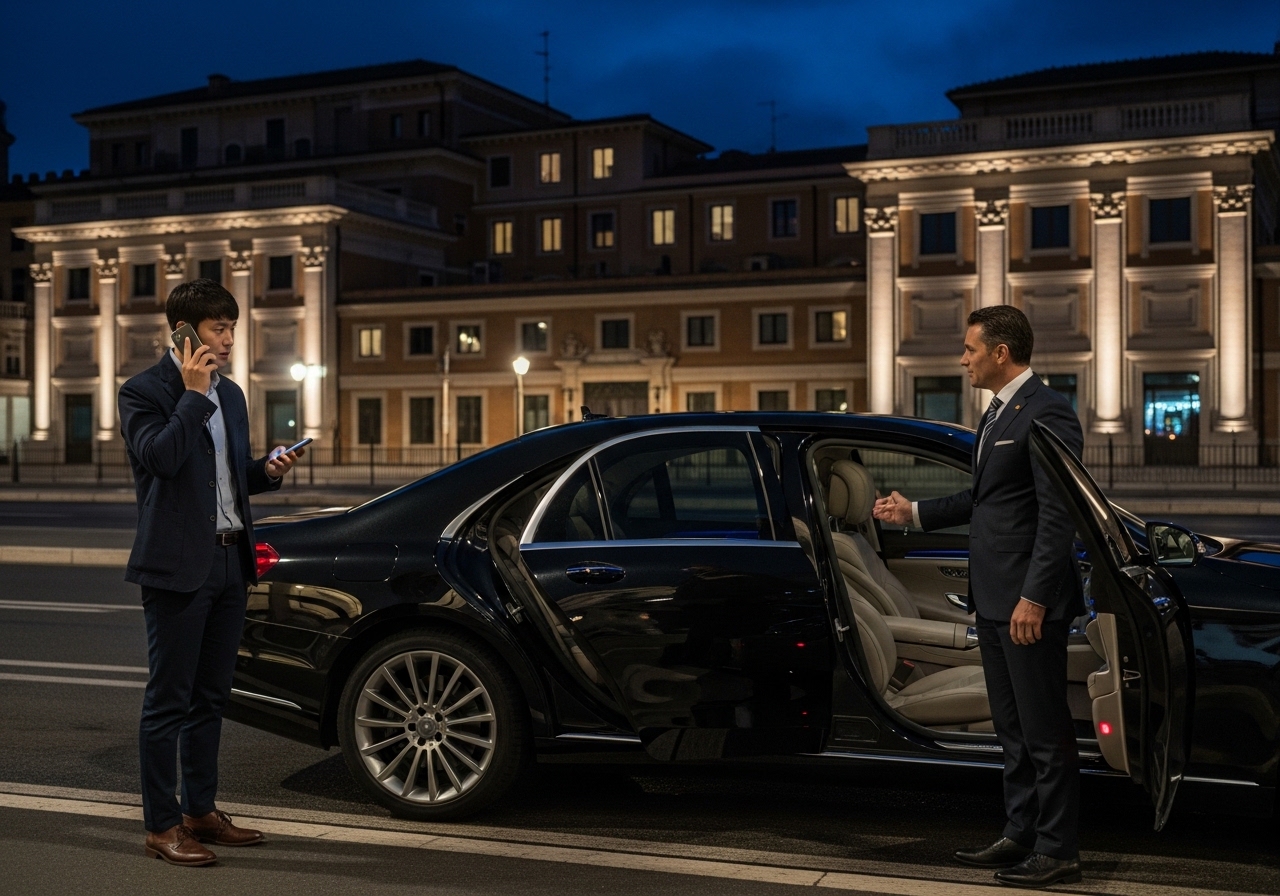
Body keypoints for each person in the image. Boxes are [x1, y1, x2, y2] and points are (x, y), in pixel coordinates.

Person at [873, 305, 1084, 889]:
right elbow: (987, 499)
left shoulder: (1047, 413)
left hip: (1024, 605)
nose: (962, 359)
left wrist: (1035, 598)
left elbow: (1056, 515)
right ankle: (1019, 833)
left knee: (1044, 730)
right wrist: (912, 513)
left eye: (969, 349)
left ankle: (1059, 848)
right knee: (1012, 728)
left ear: (1000, 352)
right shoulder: (997, 415)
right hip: (994, 599)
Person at [119, 278, 304, 866]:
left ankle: (200, 810)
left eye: (232, 328)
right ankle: (161, 824)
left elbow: (224, 477)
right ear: (182, 331)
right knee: (167, 700)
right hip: (176, 565)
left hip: (230, 559)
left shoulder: (234, 395)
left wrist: (267, 472)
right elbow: (162, 460)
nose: (228, 339)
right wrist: (193, 393)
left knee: (211, 697)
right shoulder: (143, 391)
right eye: (217, 329)